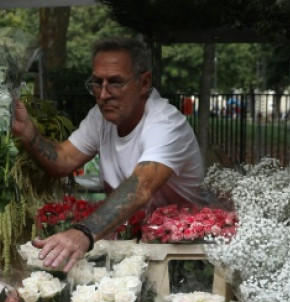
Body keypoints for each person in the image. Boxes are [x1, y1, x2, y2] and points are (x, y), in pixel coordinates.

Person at [11, 36, 205, 272]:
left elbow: (140, 186)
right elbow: (64, 159)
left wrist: (82, 233)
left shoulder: (166, 124)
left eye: (115, 82)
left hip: (186, 252)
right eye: (97, 83)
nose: (103, 95)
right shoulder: (100, 116)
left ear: (144, 83)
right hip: (135, 244)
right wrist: (29, 133)